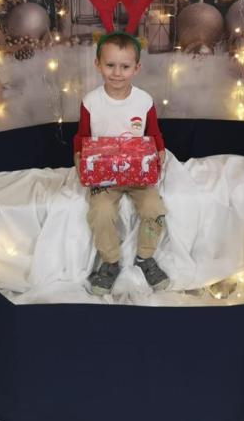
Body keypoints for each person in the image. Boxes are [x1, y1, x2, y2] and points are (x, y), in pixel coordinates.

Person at [74, 31, 169, 296]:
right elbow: (82, 137)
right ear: (97, 64)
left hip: (138, 174)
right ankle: (110, 261)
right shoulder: (91, 102)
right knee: (101, 212)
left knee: (154, 208)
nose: (117, 73)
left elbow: (154, 134)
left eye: (125, 67)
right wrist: (79, 158)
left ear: (136, 68)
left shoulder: (144, 101)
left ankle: (145, 257)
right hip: (104, 176)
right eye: (110, 65)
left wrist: (159, 152)